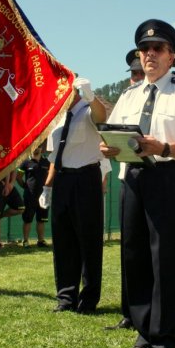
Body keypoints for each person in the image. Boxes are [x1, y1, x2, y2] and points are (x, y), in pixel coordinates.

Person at [101, 20, 175, 348]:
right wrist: (111, 147)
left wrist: (162, 146)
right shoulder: (129, 94)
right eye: (144, 49)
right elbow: (116, 131)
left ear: (170, 55)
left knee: (166, 256)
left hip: (168, 177)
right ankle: (143, 332)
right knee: (134, 255)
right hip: (133, 178)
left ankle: (165, 337)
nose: (149, 54)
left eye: (157, 48)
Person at [43, 77, 106, 314]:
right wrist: (48, 186)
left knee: (89, 240)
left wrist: (90, 95)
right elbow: (54, 156)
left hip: (86, 177)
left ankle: (88, 299)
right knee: (63, 240)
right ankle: (65, 297)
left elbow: (102, 117)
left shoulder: (88, 110)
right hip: (63, 179)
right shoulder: (57, 118)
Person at [105, 48, 145, 331]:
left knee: (149, 251)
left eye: (139, 73)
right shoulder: (127, 97)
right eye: (133, 74)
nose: (136, 78)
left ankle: (150, 314)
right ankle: (129, 312)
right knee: (129, 249)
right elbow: (111, 129)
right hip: (127, 175)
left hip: (157, 175)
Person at [16, 146, 50, 248]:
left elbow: (50, 175)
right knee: (28, 219)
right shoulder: (26, 162)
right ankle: (25, 241)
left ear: (41, 149)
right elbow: (18, 177)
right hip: (29, 196)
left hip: (43, 195)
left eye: (39, 146)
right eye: (34, 146)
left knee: (41, 219)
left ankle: (41, 241)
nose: (36, 148)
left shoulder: (46, 162)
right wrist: (25, 187)